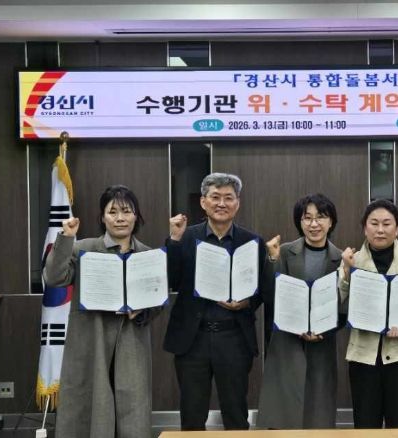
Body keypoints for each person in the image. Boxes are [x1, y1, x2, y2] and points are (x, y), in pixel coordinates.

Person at [44, 185, 155, 438]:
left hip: (131, 344)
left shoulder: (148, 255)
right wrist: (66, 237)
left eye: (126, 211)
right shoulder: (82, 248)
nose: (120, 218)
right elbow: (54, 278)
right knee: (89, 413)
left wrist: (143, 310)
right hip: (90, 342)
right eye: (112, 212)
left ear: (136, 216)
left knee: (133, 414)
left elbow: (156, 302)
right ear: (102, 217)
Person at [163, 172, 272, 431]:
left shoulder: (252, 242)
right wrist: (174, 241)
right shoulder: (184, 237)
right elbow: (170, 280)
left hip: (234, 338)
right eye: (215, 197)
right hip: (193, 339)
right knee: (192, 415)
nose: (221, 203)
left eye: (228, 198)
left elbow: (263, 290)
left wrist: (246, 303)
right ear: (203, 202)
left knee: (236, 414)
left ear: (237, 203)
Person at [256, 193, 342, 429]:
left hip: (322, 345)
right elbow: (270, 296)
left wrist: (325, 330)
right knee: (283, 417)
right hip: (287, 343)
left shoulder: (341, 258)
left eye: (320, 217)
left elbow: (344, 308)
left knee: (318, 415)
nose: (314, 224)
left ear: (331, 222)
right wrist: (272, 260)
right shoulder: (283, 252)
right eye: (307, 218)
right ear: (299, 222)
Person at [338, 199, 398, 429]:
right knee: (366, 425)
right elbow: (337, 304)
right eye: (374, 223)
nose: (380, 229)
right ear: (364, 228)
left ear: (397, 229)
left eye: (387, 224)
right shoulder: (352, 260)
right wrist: (346, 271)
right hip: (363, 356)